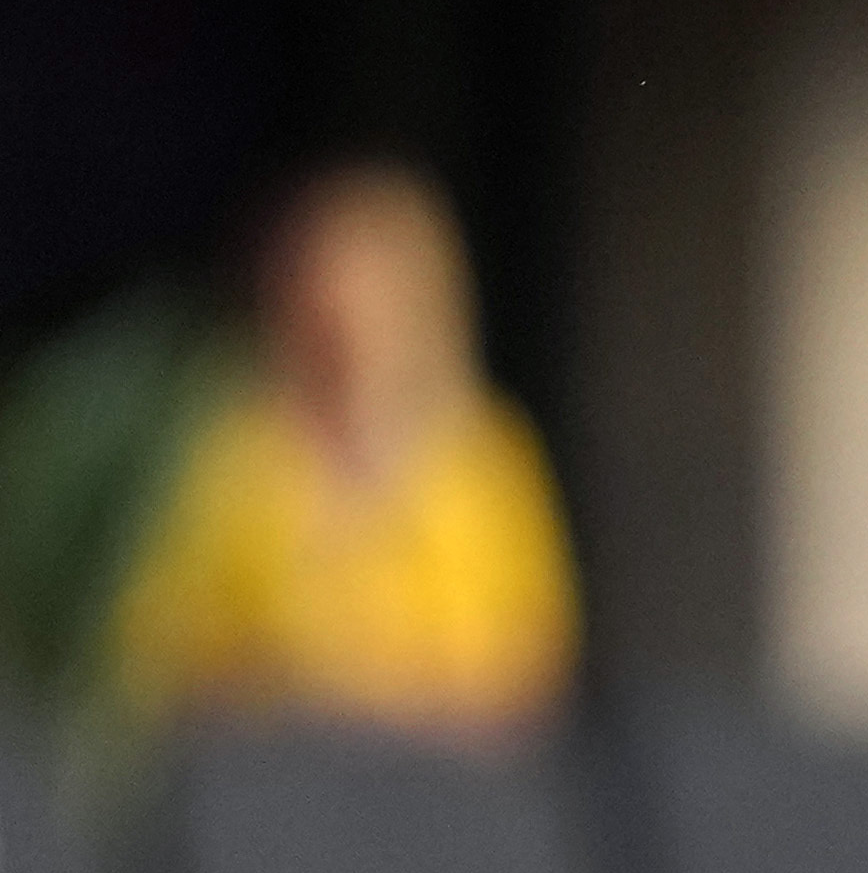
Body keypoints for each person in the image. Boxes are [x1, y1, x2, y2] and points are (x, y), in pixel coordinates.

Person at [101, 163, 581, 742]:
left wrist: (396, 699)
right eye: (326, 284)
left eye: (370, 286)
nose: (347, 315)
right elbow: (155, 653)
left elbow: (532, 666)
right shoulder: (234, 452)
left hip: (448, 794)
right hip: (277, 783)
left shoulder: (481, 456)